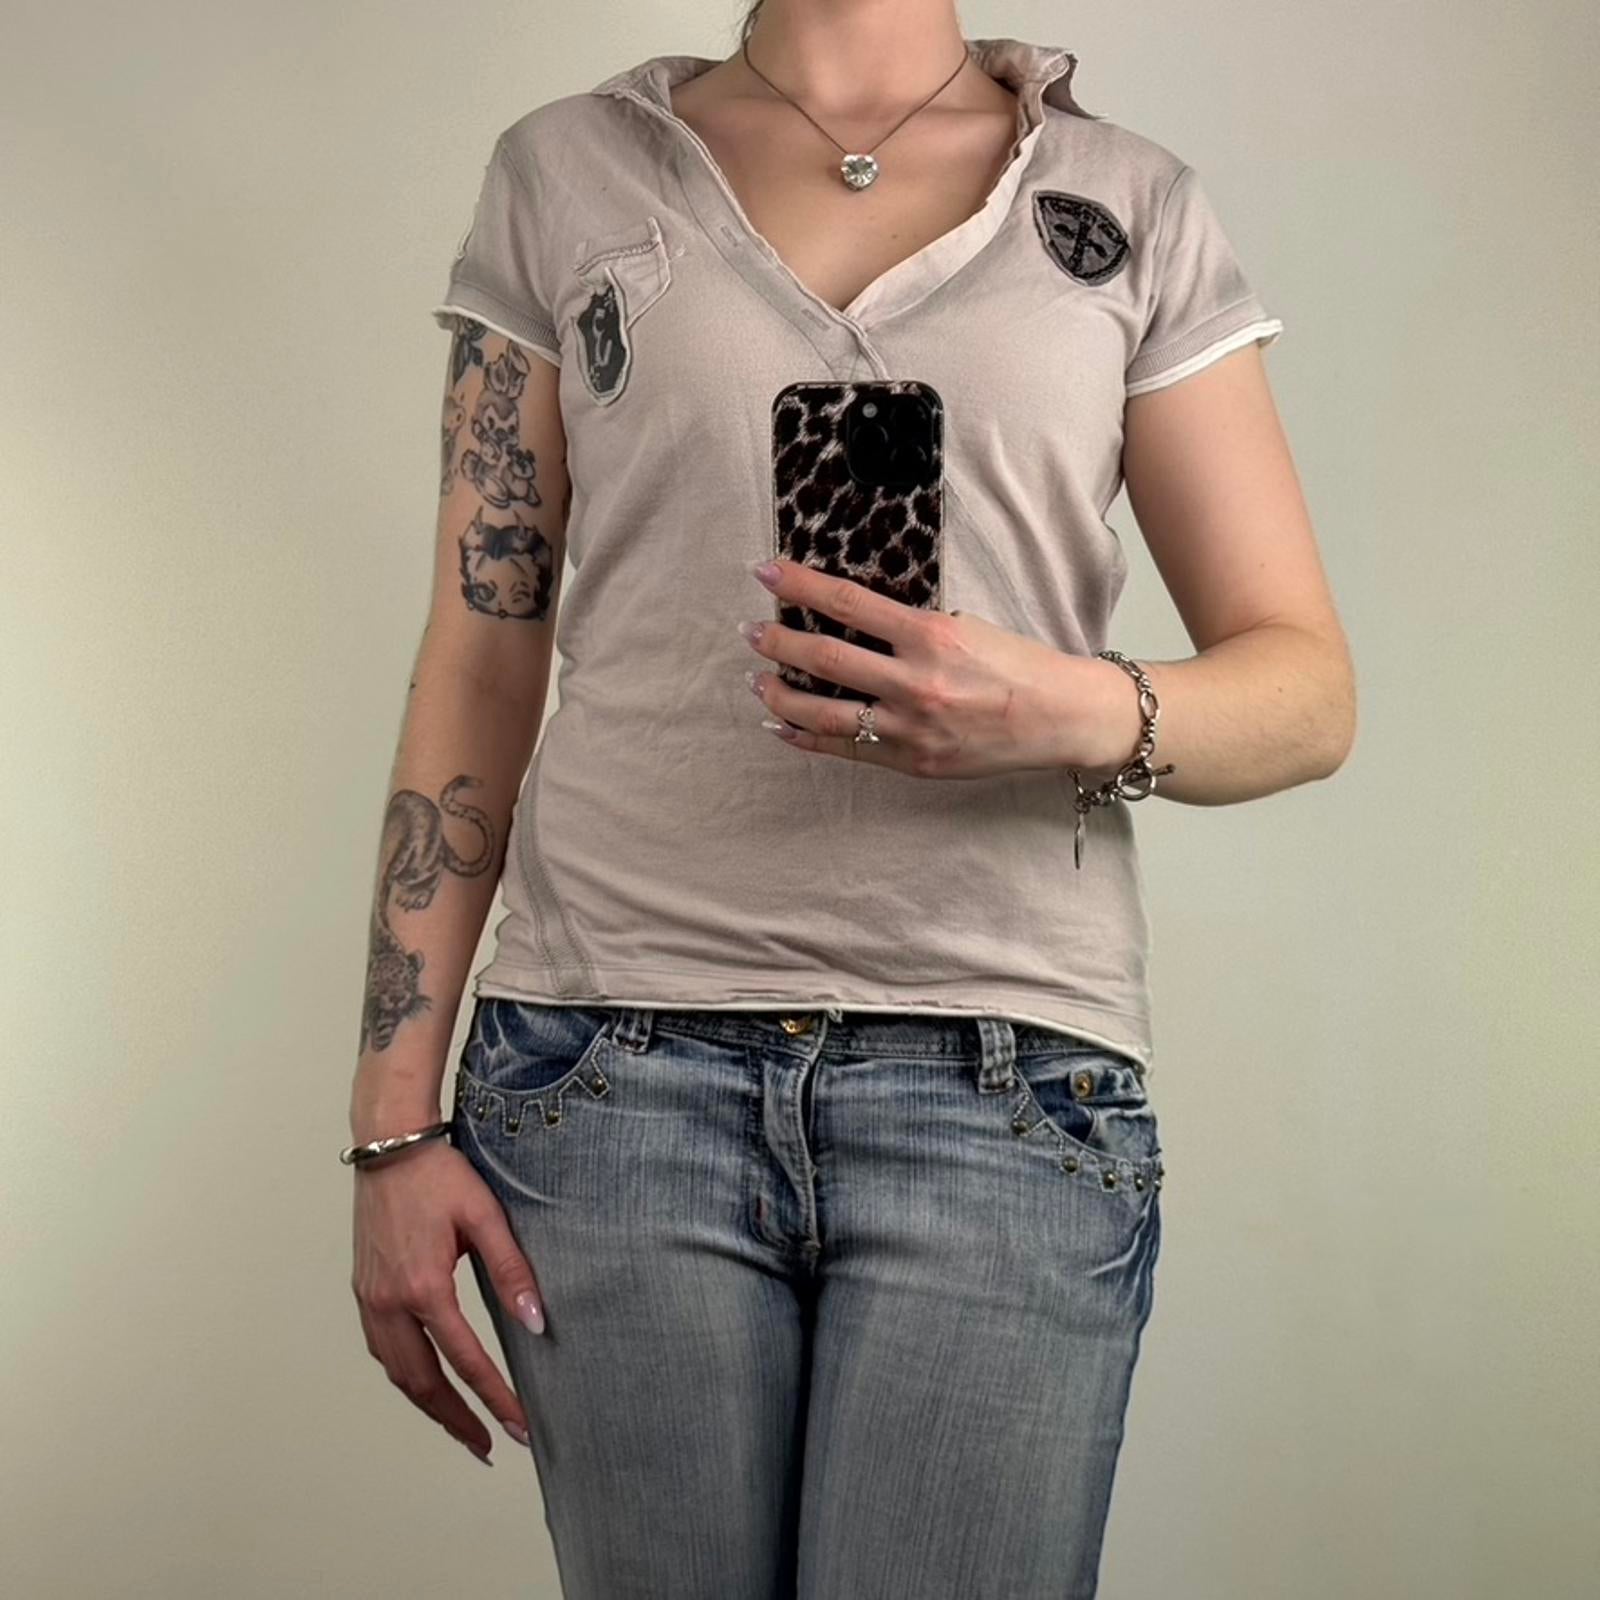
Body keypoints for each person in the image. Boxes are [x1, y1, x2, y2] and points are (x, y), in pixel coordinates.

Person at [345, 2, 1354, 1594]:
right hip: (610, 1074)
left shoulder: (1126, 202)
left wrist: (1057, 707)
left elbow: (1305, 694)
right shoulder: (567, 172)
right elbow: (481, 652)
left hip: (1006, 1084)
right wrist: (390, 1128)